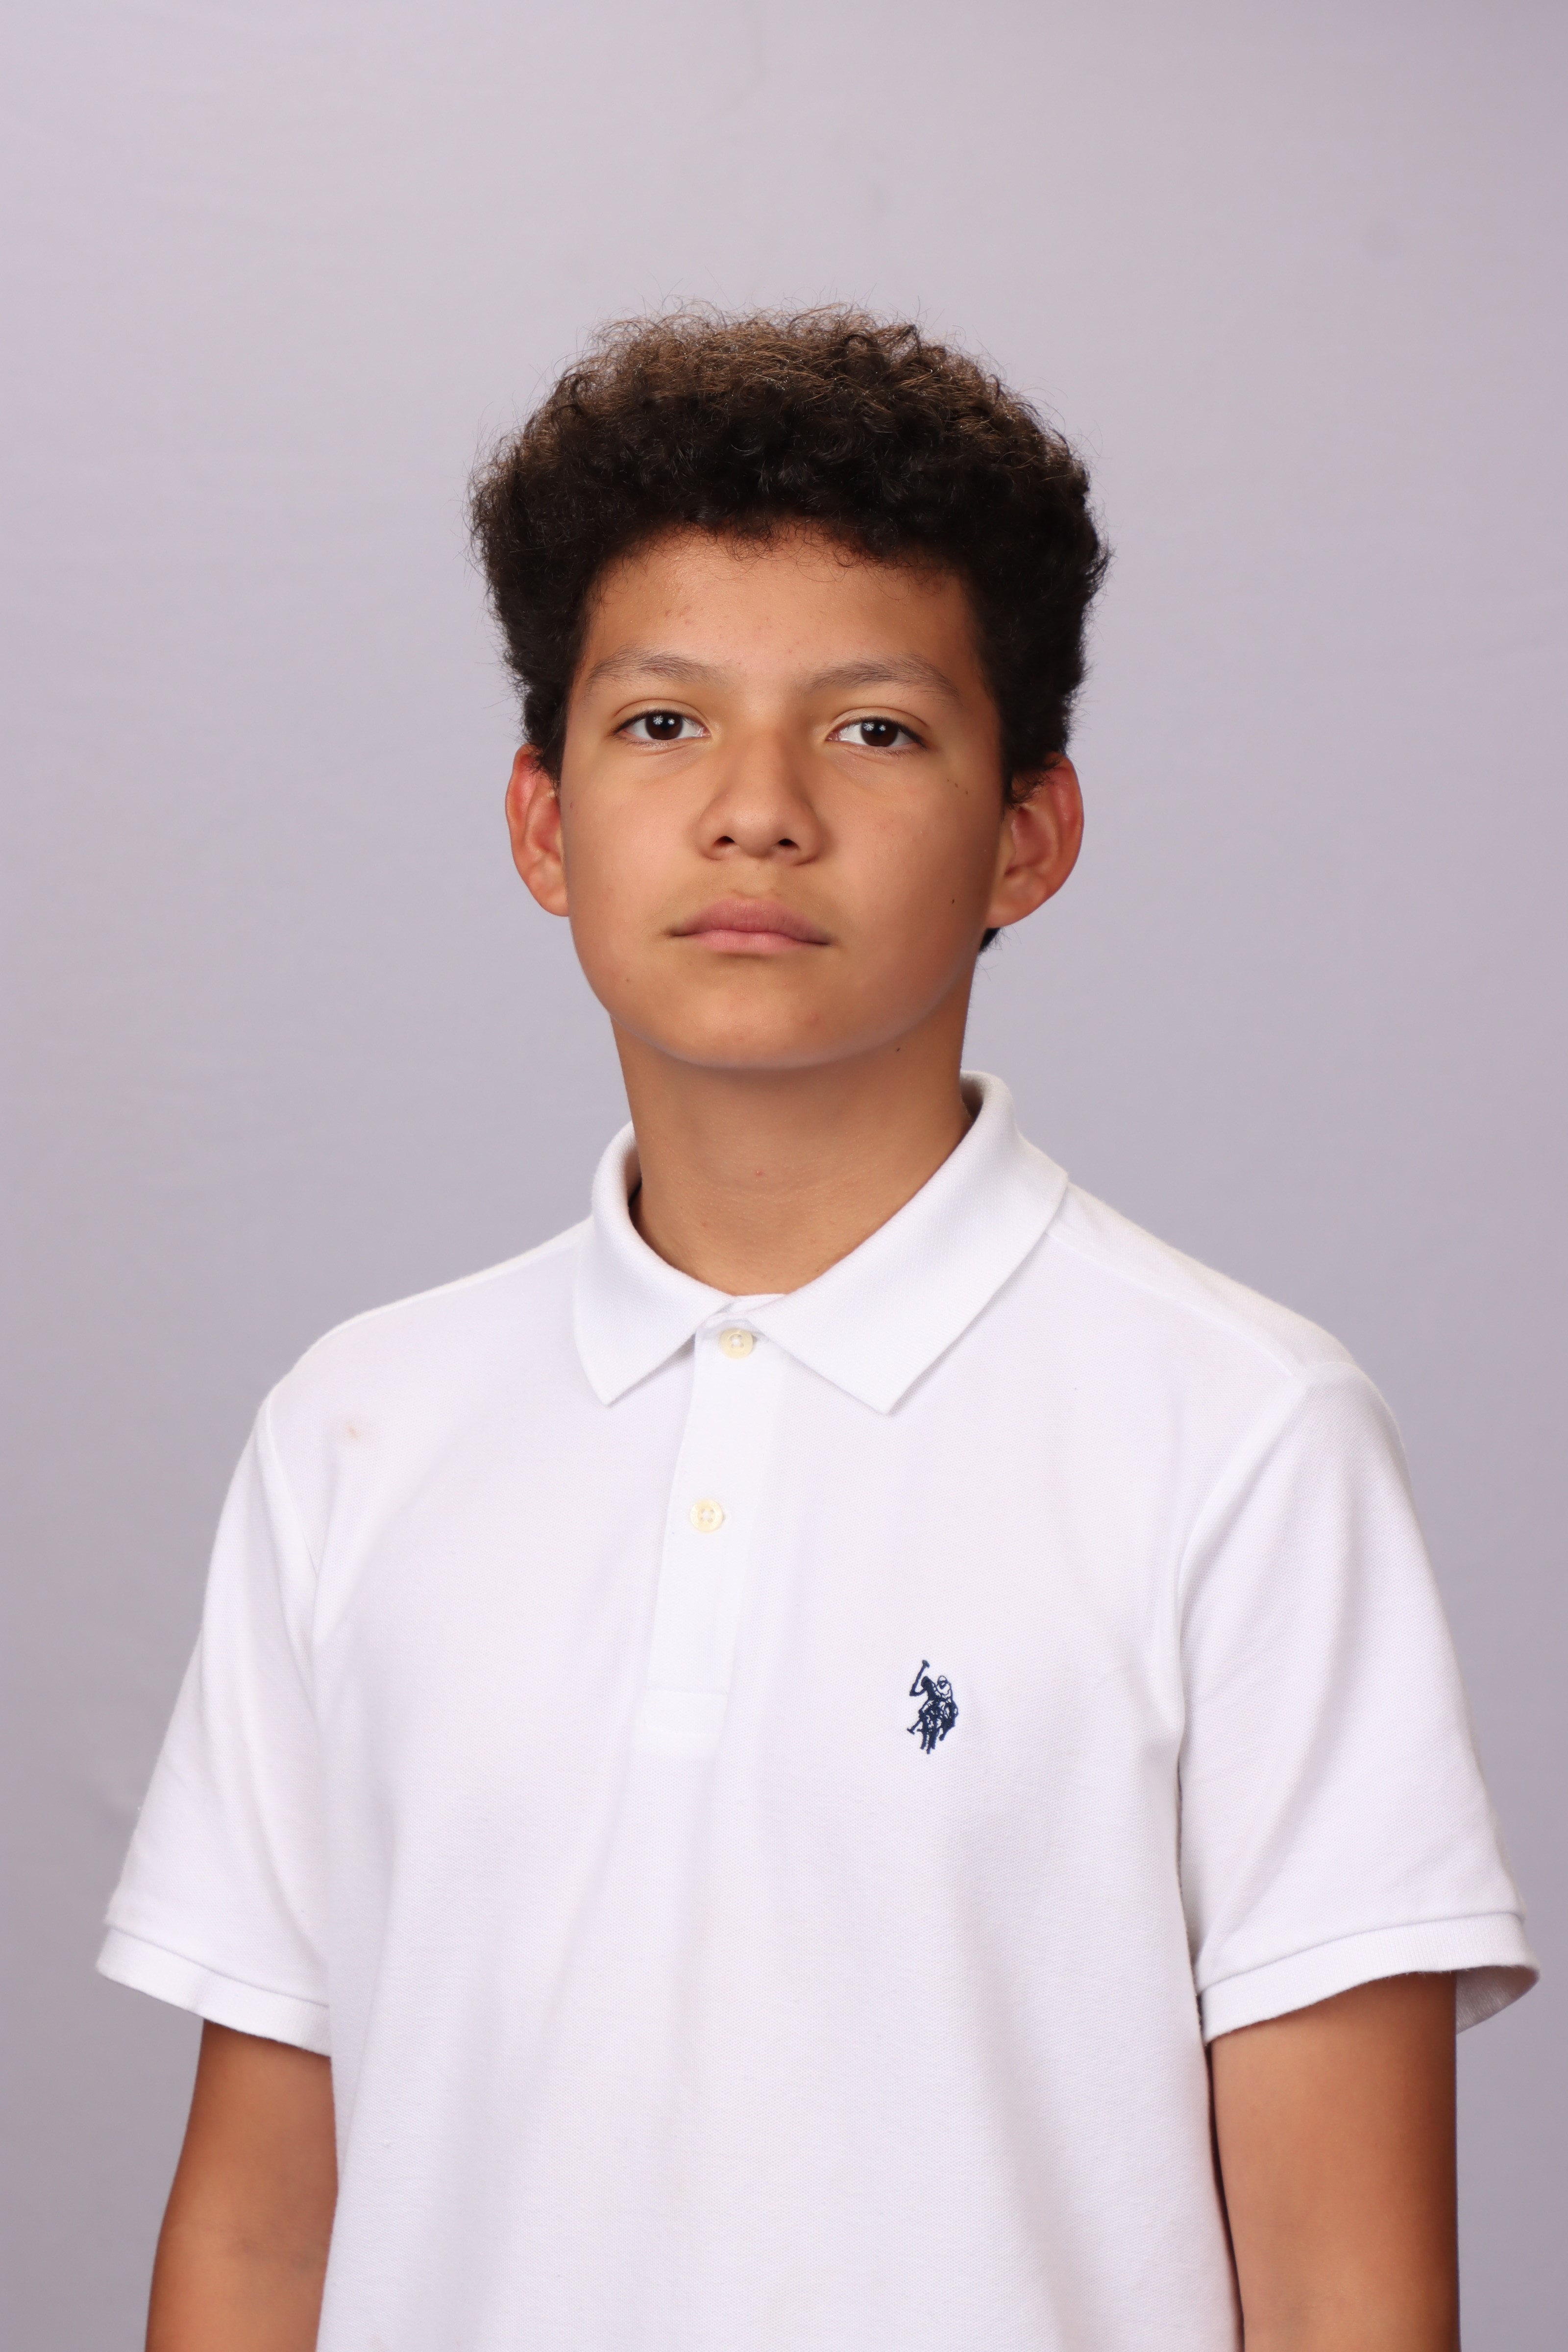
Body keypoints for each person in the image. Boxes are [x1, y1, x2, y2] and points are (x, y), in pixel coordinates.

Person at [101, 310, 1535, 2352]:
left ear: (1027, 833)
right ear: (542, 823)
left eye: (871, 731)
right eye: (660, 722)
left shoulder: (1239, 1436)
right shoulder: (362, 1430)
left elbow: (1341, 2288)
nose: (756, 810)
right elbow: (257, 2240)